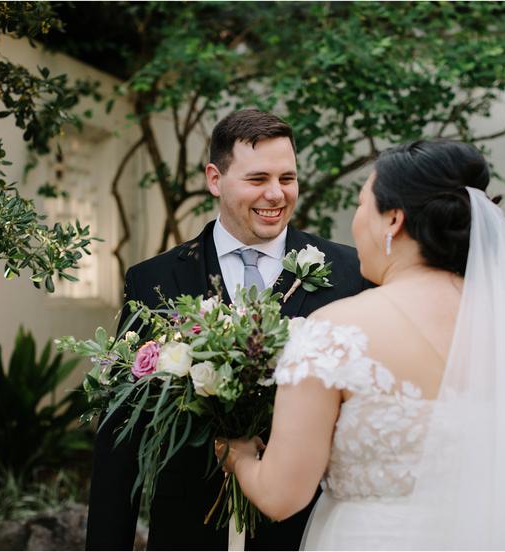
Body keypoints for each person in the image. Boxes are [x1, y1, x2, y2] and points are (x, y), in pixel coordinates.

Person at [217, 140, 505, 550]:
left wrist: (238, 456)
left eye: (360, 205)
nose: (355, 221)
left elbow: (281, 497)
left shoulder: (336, 330)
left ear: (392, 220)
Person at [85, 109, 369, 551]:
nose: (276, 194)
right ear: (215, 179)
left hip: (305, 530)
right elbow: (122, 433)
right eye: (257, 179)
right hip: (188, 530)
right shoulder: (154, 280)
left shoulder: (349, 273)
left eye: (287, 178)